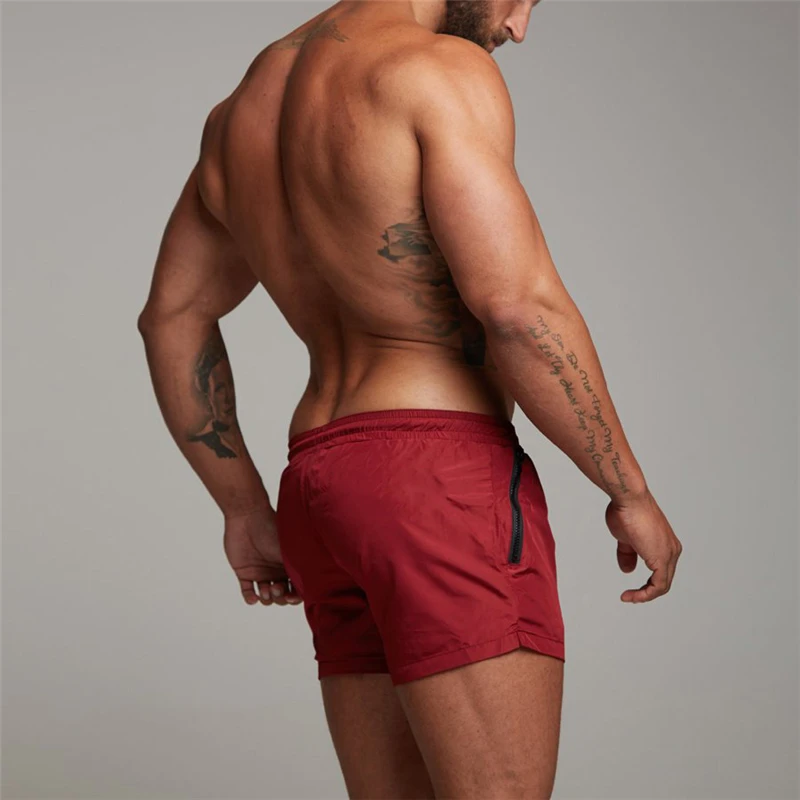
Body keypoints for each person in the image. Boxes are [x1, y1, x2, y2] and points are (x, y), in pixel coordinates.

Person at [138, 1, 683, 796]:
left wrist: (243, 507)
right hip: (437, 483)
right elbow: (516, 308)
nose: (517, 26)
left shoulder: (242, 110)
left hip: (318, 489)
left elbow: (171, 316)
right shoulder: (436, 70)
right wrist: (628, 489)